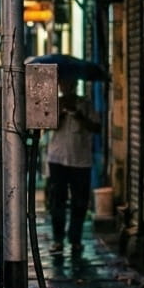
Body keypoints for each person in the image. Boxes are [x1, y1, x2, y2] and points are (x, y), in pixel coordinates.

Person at [45, 89, 100, 253]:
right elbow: (46, 125)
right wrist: (60, 113)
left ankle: (75, 238)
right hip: (57, 159)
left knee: (80, 202)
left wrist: (77, 114)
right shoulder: (55, 103)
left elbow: (96, 127)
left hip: (81, 161)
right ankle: (58, 239)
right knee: (57, 201)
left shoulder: (86, 105)